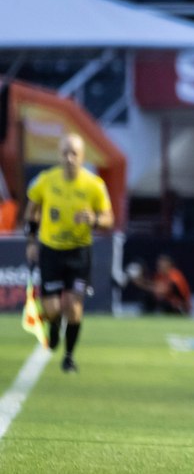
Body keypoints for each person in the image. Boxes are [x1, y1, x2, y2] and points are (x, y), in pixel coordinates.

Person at [23, 133, 114, 372]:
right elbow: (31, 211)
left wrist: (94, 219)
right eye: (65, 153)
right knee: (52, 309)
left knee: (74, 307)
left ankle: (69, 356)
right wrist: (31, 241)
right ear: (59, 155)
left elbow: (109, 219)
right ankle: (53, 327)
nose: (69, 158)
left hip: (79, 252)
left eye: (74, 153)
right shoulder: (46, 181)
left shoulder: (94, 185)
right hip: (51, 250)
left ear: (82, 156)